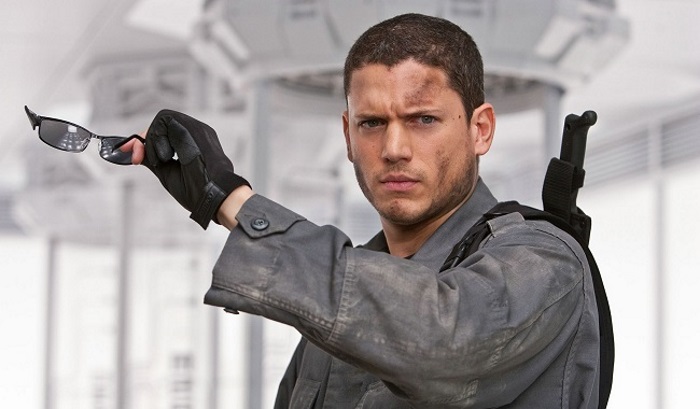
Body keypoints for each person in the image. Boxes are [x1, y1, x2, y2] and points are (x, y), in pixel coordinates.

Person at [124, 13, 600, 409]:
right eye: (371, 123)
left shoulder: (546, 261)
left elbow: (442, 341)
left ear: (481, 130)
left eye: (424, 119)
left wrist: (232, 201)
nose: (394, 148)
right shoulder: (336, 307)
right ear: (348, 137)